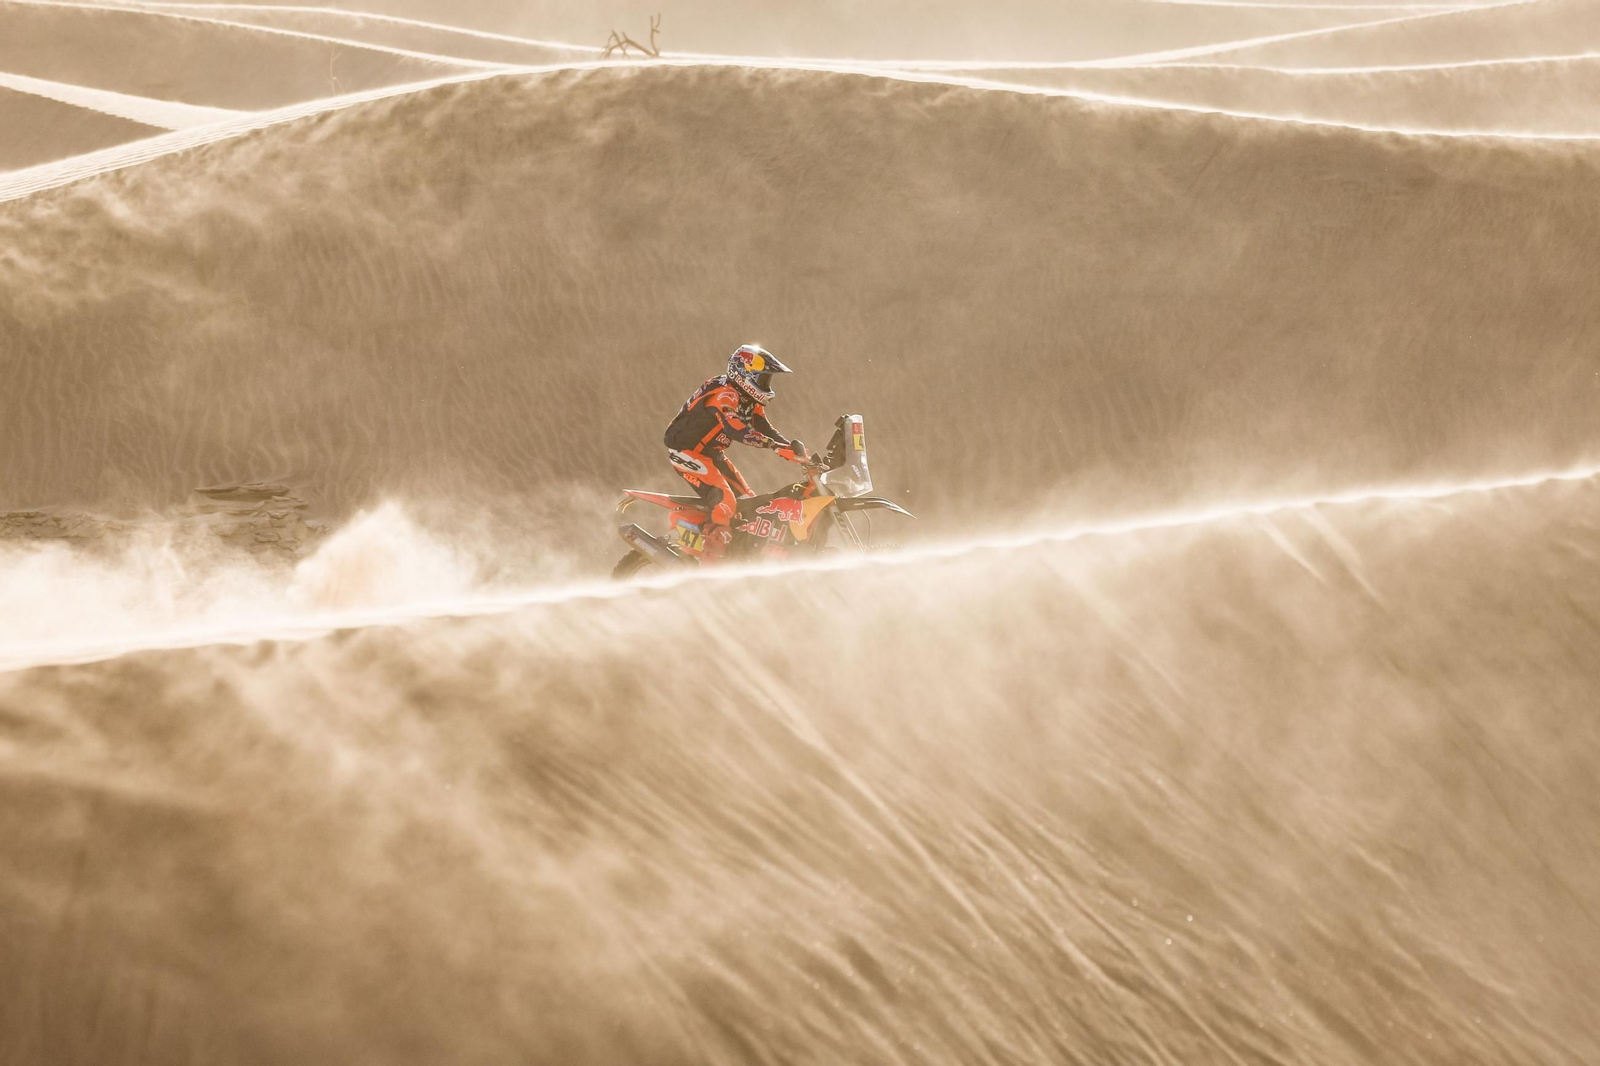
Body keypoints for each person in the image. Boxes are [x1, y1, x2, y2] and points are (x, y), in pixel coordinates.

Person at [663, 343, 812, 561]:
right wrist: (772, 446)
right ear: (745, 374)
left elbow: (763, 426)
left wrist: (792, 449)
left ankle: (736, 556)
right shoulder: (725, 393)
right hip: (687, 451)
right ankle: (711, 563)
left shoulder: (747, 398)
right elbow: (735, 429)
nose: (766, 384)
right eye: (762, 378)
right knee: (724, 501)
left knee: (749, 506)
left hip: (712, 453)